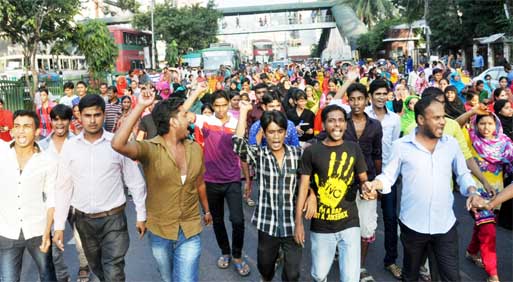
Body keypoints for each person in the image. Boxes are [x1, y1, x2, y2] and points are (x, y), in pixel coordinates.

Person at [369, 95, 487, 281]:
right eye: (437, 118)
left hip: (445, 226)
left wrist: (472, 191)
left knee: (450, 277)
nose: (443, 122)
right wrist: (376, 184)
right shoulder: (401, 146)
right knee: (411, 276)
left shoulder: (451, 144)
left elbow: (463, 174)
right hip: (413, 227)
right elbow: (388, 176)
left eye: (443, 117)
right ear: (421, 119)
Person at [111, 90, 212, 282]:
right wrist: (139, 106)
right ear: (173, 122)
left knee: (186, 279)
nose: (189, 118)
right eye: (184, 115)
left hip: (190, 228)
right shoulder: (150, 149)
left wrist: (206, 211)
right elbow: (117, 143)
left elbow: (200, 182)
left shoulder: (195, 149)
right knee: (167, 278)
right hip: (160, 229)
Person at [53, 95, 147, 282]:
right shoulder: (70, 147)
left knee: (113, 269)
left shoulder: (117, 144)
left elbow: (135, 181)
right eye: (88, 115)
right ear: (80, 116)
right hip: (84, 221)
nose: (93, 120)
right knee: (97, 267)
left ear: (104, 115)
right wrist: (59, 226)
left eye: (97, 114)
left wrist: (141, 215)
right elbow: (63, 188)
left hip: (113, 219)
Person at [295, 104, 375, 282]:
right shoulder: (311, 152)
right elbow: (303, 186)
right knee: (319, 274)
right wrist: (298, 223)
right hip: (321, 225)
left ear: (346, 125)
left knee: (350, 277)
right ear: (323, 125)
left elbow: (363, 179)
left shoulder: (354, 148)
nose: (336, 125)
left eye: (340, 120)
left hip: (350, 222)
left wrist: (367, 189)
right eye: (331, 120)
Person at [233, 101, 312, 282]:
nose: (276, 137)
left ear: (285, 133)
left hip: (292, 224)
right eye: (271, 132)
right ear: (264, 133)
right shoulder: (260, 155)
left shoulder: (297, 154)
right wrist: (243, 112)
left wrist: (312, 195)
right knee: (265, 266)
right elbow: (238, 145)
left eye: (279, 132)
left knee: (292, 274)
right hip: (267, 223)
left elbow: (309, 179)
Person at [184, 89, 252, 276]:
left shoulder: (235, 122)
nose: (221, 109)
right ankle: (225, 252)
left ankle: (237, 256)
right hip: (211, 180)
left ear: (229, 104)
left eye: (224, 105)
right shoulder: (206, 121)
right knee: (218, 220)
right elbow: (182, 112)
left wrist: (244, 112)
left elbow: (238, 140)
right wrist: (196, 91)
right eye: (217, 105)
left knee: (238, 220)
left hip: (232, 179)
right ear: (212, 106)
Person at [0, 110, 57, 282]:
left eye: (26, 126)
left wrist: (48, 232)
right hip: (7, 230)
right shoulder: (2, 153)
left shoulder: (48, 160)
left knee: (47, 276)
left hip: (38, 229)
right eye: (17, 126)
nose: (21, 131)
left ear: (37, 131)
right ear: (11, 131)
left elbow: (52, 198)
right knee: (8, 279)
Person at [39, 104, 90, 282]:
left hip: (75, 199)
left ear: (70, 121)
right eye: (56, 119)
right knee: (52, 242)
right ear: (51, 121)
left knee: (81, 239)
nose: (59, 123)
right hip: (52, 202)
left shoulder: (79, 142)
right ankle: (62, 275)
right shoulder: (42, 146)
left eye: (64, 119)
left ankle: (84, 267)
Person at [464, 113, 513, 282]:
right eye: (482, 123)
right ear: (476, 125)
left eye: (490, 124)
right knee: (488, 230)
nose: (486, 128)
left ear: (496, 125)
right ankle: (493, 274)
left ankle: (471, 251)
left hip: (497, 194)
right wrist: (472, 111)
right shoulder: (470, 139)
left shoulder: (506, 143)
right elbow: (455, 125)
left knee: (484, 226)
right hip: (475, 193)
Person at [343, 83, 383, 281]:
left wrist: (379, 182)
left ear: (366, 99)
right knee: (343, 225)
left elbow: (377, 155)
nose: (356, 103)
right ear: (348, 100)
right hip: (343, 182)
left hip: (368, 183)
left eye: (360, 98)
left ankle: (359, 267)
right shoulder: (341, 122)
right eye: (352, 99)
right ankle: (345, 263)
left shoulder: (375, 125)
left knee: (366, 226)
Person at [364, 79, 402, 280]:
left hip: (388, 174)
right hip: (365, 174)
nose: (380, 97)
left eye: (383, 93)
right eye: (376, 93)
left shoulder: (395, 119)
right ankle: (355, 260)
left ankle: (391, 260)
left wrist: (393, 174)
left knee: (390, 218)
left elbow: (396, 147)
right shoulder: (363, 115)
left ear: (389, 95)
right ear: (370, 96)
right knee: (361, 219)